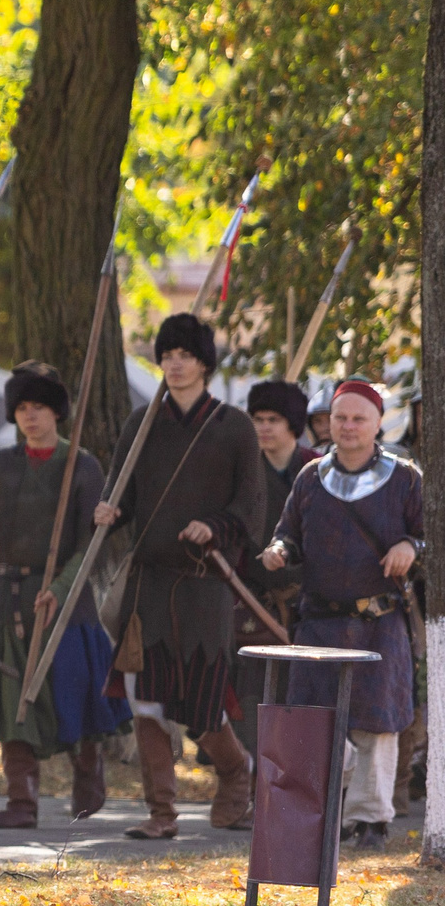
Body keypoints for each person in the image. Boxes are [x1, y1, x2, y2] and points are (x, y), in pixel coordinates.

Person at [91, 313, 266, 839]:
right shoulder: (142, 422)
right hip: (148, 584)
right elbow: (123, 493)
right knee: (145, 699)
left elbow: (251, 506)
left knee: (201, 701)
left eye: (185, 355)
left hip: (205, 584)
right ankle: (161, 813)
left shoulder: (234, 427)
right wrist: (110, 510)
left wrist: (214, 526)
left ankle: (236, 773)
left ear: (204, 363)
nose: (175, 364)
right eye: (167, 355)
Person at [260, 379, 424, 849]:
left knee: (377, 724)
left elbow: (430, 538)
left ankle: (370, 820)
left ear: (377, 423)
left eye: (358, 418)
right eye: (340, 418)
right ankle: (317, 814)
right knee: (314, 721)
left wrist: (410, 546)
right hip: (319, 620)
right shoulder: (310, 478)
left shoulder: (406, 479)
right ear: (329, 422)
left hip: (380, 621)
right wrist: (278, 550)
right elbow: (288, 533)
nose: (348, 426)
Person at [0, 361, 127, 826]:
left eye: (39, 406)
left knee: (73, 695)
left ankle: (88, 778)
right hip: (8, 599)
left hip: (67, 602)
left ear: (57, 411)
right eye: (22, 407)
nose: (30, 415)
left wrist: (60, 589)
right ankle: (22, 802)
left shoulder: (82, 466)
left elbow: (90, 545)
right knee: (12, 703)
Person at [233, 379, 315, 755]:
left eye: (274, 420)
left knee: (307, 700)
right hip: (256, 602)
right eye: (258, 419)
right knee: (253, 698)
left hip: (310, 605)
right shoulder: (242, 472)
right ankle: (254, 778)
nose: (264, 427)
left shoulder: (317, 469)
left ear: (292, 424)